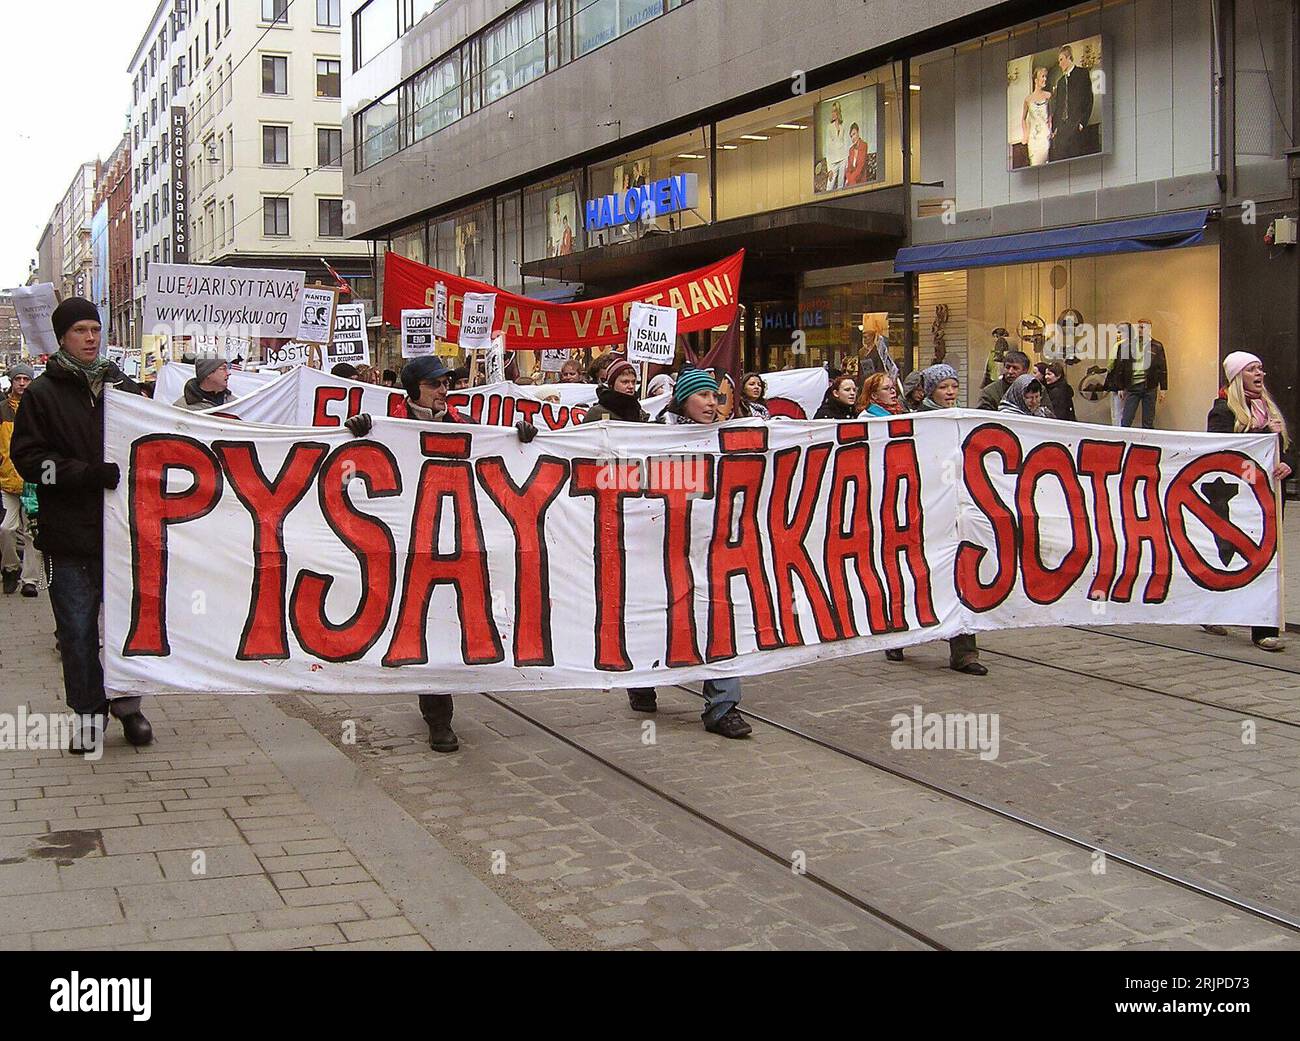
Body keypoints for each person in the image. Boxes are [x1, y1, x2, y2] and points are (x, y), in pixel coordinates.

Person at [10, 298, 153, 753]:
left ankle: (128, 705)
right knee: (76, 632)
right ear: (62, 338)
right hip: (68, 537)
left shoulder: (122, 387)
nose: (90, 338)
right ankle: (89, 715)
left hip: (121, 536)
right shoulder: (41, 394)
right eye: (80, 331)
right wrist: (83, 475)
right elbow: (30, 464)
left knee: (124, 628)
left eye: (95, 329)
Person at [342, 356, 468, 752]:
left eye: (446, 383)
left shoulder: (462, 424)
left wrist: (521, 437)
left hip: (454, 540)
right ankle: (436, 714)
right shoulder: (388, 426)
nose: (443, 391)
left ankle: (443, 706)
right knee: (420, 621)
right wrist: (357, 434)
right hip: (407, 542)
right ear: (413, 389)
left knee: (447, 623)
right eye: (434, 385)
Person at [648, 368, 753, 738]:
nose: (712, 403)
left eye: (715, 397)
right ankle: (643, 678)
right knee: (660, 617)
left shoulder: (731, 434)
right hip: (661, 545)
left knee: (720, 619)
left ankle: (723, 707)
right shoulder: (652, 435)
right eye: (703, 396)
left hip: (715, 546)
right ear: (683, 400)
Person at [887, 363, 988, 675]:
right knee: (919, 574)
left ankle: (964, 653)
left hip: (956, 513)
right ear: (929, 390)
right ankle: (898, 634)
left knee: (960, 576)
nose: (951, 393)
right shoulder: (915, 421)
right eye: (944, 387)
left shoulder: (963, 420)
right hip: (923, 511)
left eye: (954, 387)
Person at [1203, 352, 1293, 652]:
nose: (1260, 373)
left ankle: (1263, 629)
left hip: (1269, 498)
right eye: (1252, 369)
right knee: (1228, 556)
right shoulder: (1223, 412)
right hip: (1237, 500)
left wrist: (1288, 464)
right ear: (1237, 376)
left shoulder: (1269, 410)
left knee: (1266, 558)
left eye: (1261, 368)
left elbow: (1289, 450)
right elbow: (1218, 454)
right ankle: (1212, 608)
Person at [0, 363, 42, 597]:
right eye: (19, 379)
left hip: (33, 483)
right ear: (12, 382)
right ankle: (10, 568)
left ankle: (30, 580)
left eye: (26, 379)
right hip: (7, 481)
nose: (22, 383)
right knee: (6, 529)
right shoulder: (2, 410)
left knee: (31, 533)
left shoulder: (40, 409)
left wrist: (49, 478)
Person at [1107, 320, 1167, 429]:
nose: (1140, 330)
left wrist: (1163, 388)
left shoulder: (1156, 346)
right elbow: (1121, 366)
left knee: (1148, 420)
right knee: (1126, 419)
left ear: (1149, 330)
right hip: (1133, 385)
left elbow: (1162, 367)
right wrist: (1120, 386)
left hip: (1150, 385)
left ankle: (1146, 444)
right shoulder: (1129, 345)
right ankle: (1124, 441)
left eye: (1142, 328)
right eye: (1138, 327)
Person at [1048, 45, 1094, 162]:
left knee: (1077, 160)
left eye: (1061, 59)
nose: (1060, 64)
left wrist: (1082, 123)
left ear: (1069, 58)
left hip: (1076, 126)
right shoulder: (1061, 82)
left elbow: (1088, 99)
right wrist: (1055, 128)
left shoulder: (1082, 74)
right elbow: (1058, 106)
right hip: (1062, 130)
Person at [581, 357, 648, 423]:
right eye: (625, 382)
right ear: (611, 385)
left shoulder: (640, 413)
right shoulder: (597, 413)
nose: (631, 386)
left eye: (633, 382)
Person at [1021, 66, 1053, 167]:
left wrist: (1050, 129)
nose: (1045, 79)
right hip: (1033, 139)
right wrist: (1025, 134)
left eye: (1045, 76)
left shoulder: (1048, 96)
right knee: (1034, 165)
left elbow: (1051, 115)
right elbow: (1023, 119)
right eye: (1042, 76)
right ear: (1036, 80)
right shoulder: (1028, 99)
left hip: (1045, 137)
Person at [824, 100, 849, 191]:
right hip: (833, 161)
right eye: (832, 111)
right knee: (829, 187)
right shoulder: (829, 127)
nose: (833, 113)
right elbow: (828, 148)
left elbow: (846, 144)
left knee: (841, 185)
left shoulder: (843, 127)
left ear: (838, 112)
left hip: (842, 158)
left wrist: (846, 162)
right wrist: (829, 168)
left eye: (835, 111)